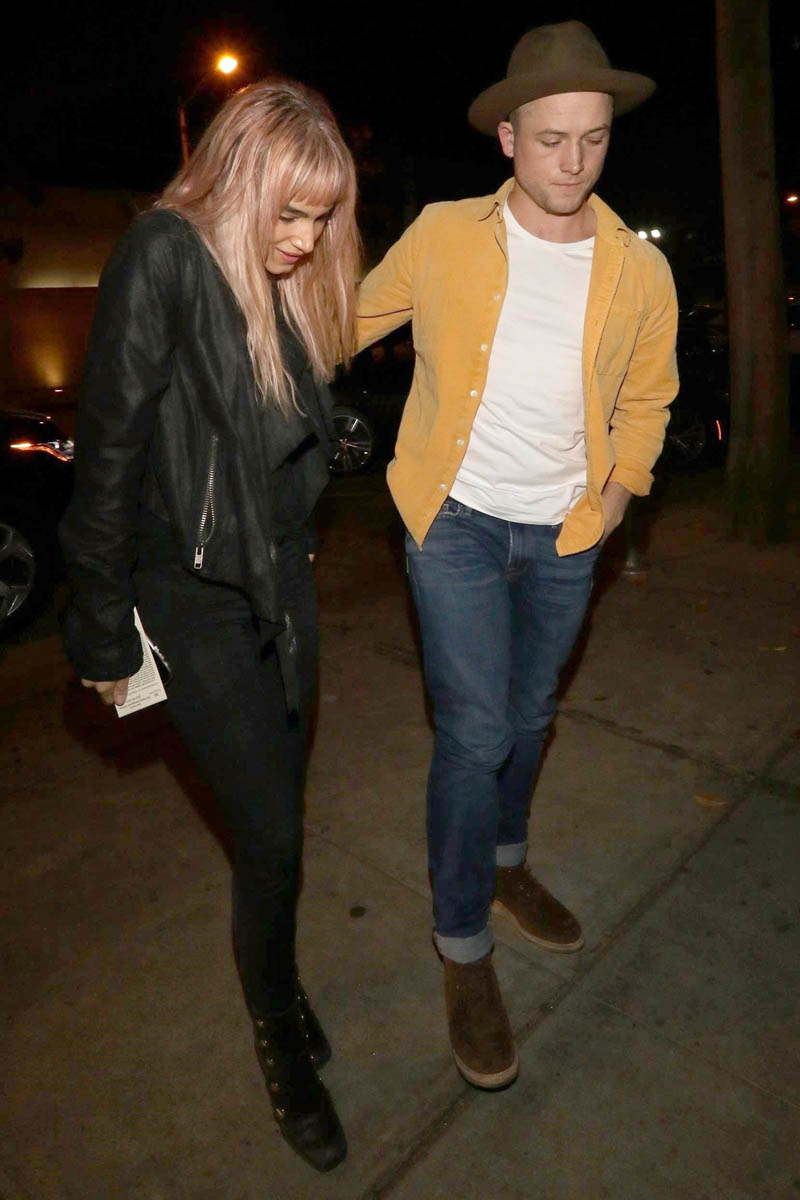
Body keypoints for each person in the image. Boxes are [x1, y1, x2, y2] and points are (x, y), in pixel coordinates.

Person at [356, 21, 678, 1090]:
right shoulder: (445, 234)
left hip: (565, 532)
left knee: (532, 715)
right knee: (476, 729)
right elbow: (342, 321)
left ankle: (504, 865)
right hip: (452, 519)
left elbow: (648, 401)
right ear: (506, 136)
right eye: (549, 139)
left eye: (593, 138)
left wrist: (614, 503)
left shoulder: (638, 271)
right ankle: (462, 946)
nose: (573, 162)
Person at [59, 80, 360, 1171]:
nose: (307, 238)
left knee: (279, 827)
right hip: (192, 602)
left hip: (283, 585)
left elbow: (265, 432)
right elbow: (109, 457)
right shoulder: (163, 255)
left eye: (322, 216)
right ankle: (276, 1025)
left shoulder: (278, 280)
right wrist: (100, 633)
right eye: (290, 211)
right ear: (237, 180)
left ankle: (276, 978)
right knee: (271, 836)